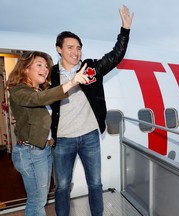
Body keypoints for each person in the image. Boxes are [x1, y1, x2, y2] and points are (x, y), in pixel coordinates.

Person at [50, 5, 134, 216]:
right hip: (63, 139)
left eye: (78, 47)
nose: (75, 52)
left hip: (89, 137)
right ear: (59, 49)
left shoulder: (90, 69)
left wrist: (125, 30)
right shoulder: (50, 75)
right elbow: (35, 99)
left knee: (95, 183)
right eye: (70, 47)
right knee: (62, 186)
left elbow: (116, 56)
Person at [7, 51, 89, 216]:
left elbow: (40, 116)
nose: (45, 69)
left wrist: (50, 139)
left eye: (46, 66)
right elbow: (37, 100)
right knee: (37, 202)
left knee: (38, 199)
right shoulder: (19, 90)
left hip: (42, 150)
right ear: (25, 69)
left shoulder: (38, 91)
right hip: (31, 153)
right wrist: (72, 82)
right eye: (39, 65)